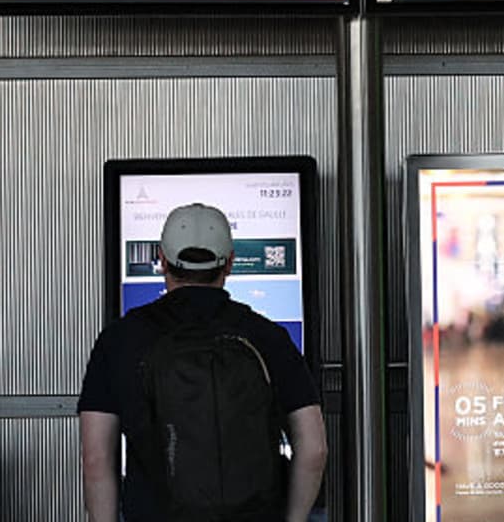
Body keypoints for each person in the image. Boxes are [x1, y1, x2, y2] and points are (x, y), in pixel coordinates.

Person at [78, 203, 327, 522]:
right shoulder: (268, 337)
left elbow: (96, 459)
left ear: (162, 261)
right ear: (230, 263)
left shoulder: (120, 340)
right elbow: (314, 449)